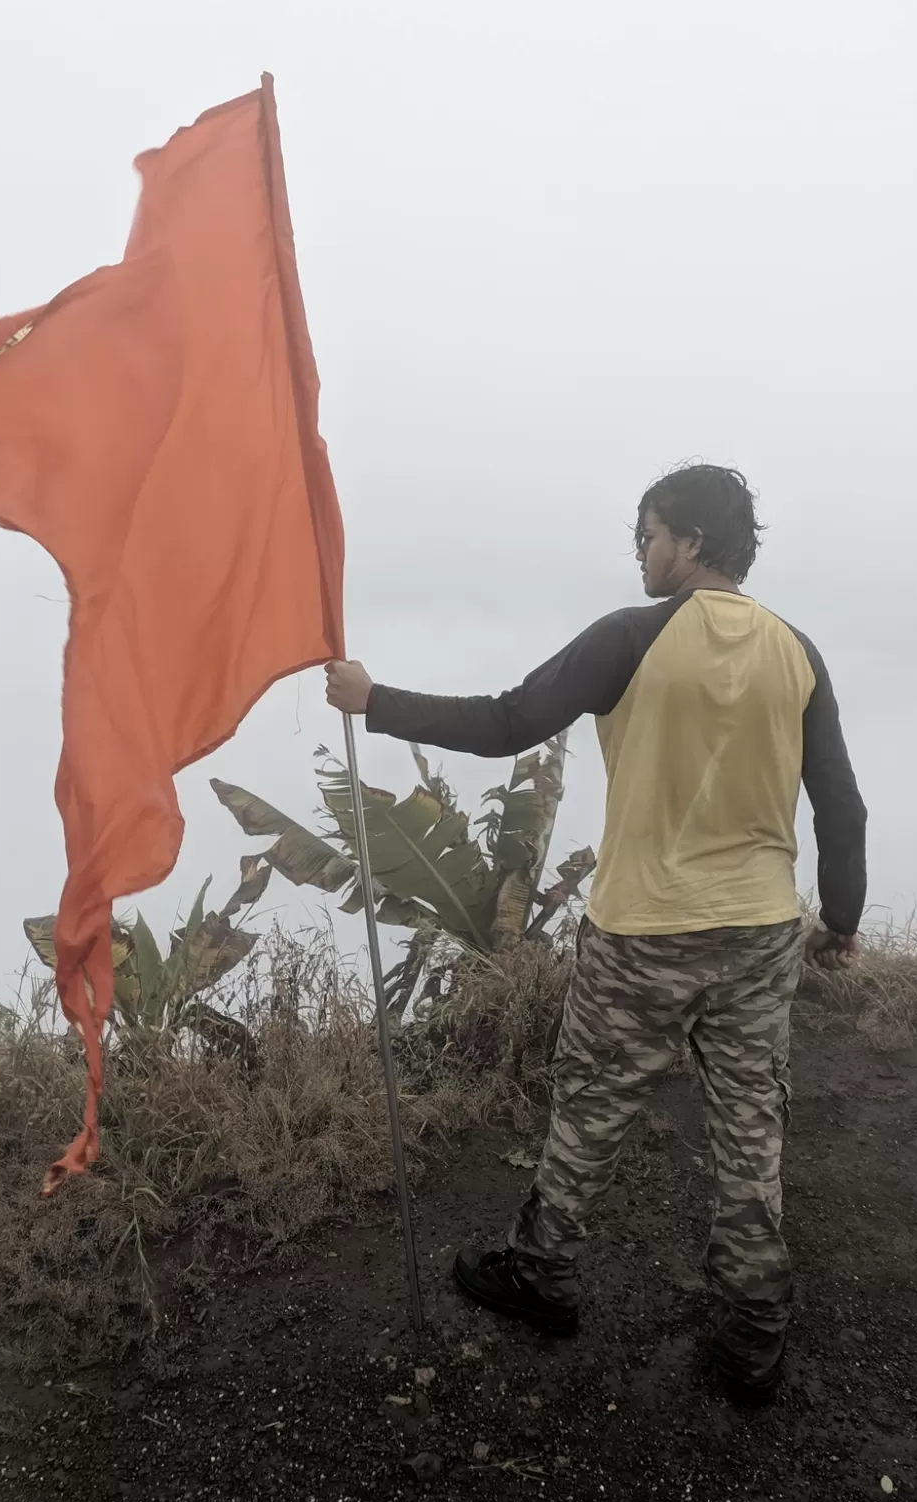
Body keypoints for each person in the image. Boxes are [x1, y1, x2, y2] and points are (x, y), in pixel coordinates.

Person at [326, 462, 866, 1401]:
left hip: (644, 930)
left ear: (692, 541)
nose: (642, 552)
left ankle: (542, 1274)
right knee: (749, 1123)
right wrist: (841, 922)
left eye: (649, 534)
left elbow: (508, 723)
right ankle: (753, 1327)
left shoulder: (631, 637)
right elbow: (841, 806)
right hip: (761, 930)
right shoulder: (798, 651)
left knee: (590, 1105)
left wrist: (375, 702)